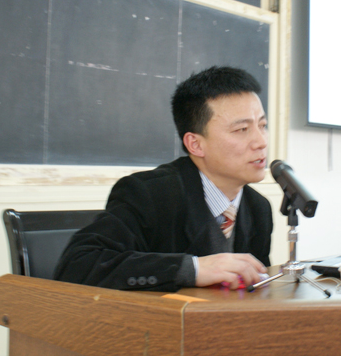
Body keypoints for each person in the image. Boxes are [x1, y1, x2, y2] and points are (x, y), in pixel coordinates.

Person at [53, 66, 273, 292]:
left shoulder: (258, 208)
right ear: (196, 144)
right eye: (242, 129)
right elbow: (77, 266)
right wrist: (192, 269)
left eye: (263, 126)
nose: (261, 142)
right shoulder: (149, 194)